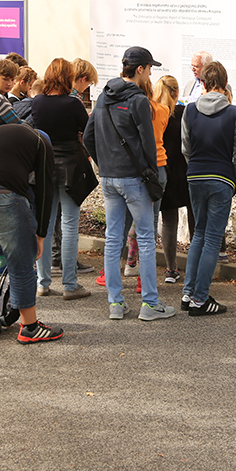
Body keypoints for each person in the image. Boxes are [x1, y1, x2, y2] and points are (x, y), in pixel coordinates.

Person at [83, 46, 176, 321]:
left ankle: (115, 303)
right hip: (134, 178)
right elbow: (148, 144)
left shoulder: (103, 97)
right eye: (149, 69)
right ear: (140, 69)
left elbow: (88, 136)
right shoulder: (138, 101)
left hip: (109, 177)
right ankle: (150, 304)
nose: (150, 75)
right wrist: (150, 174)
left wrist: (103, 162)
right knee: (145, 238)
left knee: (113, 239)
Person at [0, 122, 64, 343]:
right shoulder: (42, 142)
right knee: (20, 262)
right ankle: (29, 327)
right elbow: (45, 190)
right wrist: (40, 235)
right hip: (5, 193)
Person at [180, 61, 236, 316]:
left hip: (195, 175)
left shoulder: (190, 110)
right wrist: (235, 180)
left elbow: (186, 148)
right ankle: (200, 299)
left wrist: (194, 168)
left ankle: (188, 293)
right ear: (225, 83)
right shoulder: (235, 113)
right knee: (212, 238)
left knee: (199, 234)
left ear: (203, 83)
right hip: (221, 177)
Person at [29, 58, 93, 300]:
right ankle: (70, 284)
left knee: (44, 225)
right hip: (70, 167)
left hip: (45, 165)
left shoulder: (37, 101)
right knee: (69, 225)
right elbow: (88, 130)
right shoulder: (73, 103)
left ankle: (43, 282)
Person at [154, 76, 189, 283]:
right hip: (182, 171)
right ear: (176, 93)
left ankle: (170, 268)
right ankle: (194, 268)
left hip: (162, 169)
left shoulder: (153, 113)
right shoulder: (182, 113)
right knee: (192, 219)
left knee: (168, 221)